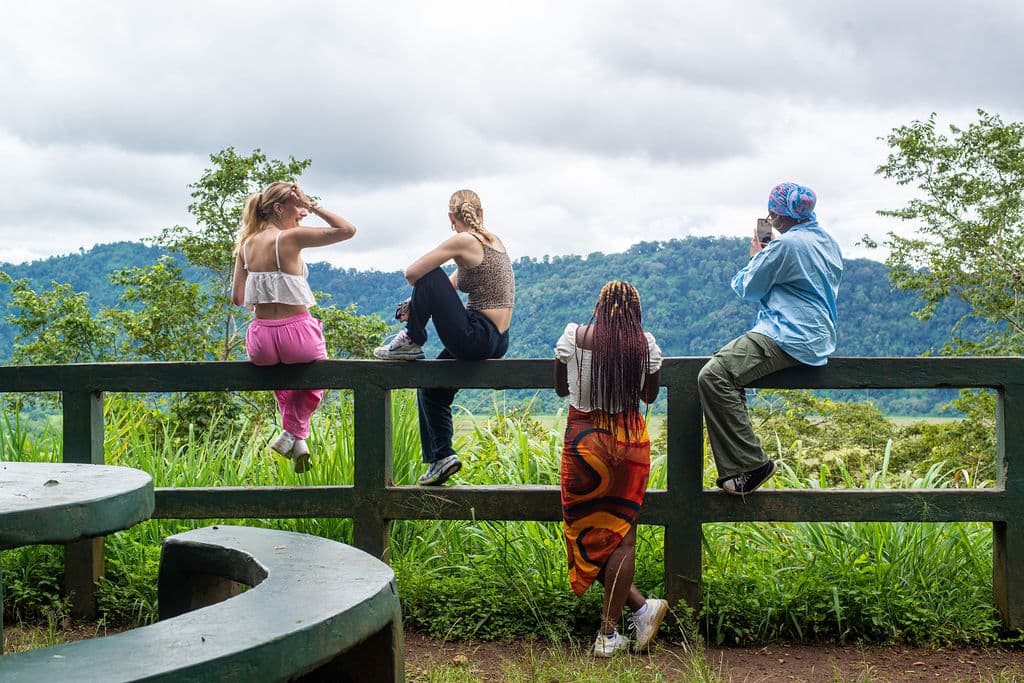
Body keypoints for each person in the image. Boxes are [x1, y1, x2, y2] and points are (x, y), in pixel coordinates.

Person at [698, 182, 843, 495]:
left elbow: (748, 288)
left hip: (788, 334)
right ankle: (744, 462)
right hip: (819, 336)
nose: (770, 219)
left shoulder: (784, 247)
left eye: (772, 214)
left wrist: (756, 256)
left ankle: (750, 464)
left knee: (714, 374)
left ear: (780, 217)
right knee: (727, 368)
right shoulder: (828, 242)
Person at [555, 281, 669, 657]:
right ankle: (621, 623)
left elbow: (561, 390)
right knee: (623, 537)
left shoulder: (573, 336)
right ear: (635, 312)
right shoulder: (645, 345)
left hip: (583, 443)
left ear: (599, 306)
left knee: (580, 530)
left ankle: (618, 627)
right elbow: (648, 396)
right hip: (627, 444)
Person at [373, 189, 514, 486]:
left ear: (451, 218)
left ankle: (411, 340)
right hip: (498, 338)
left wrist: (420, 298)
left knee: (427, 273)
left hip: (477, 334)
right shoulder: (493, 241)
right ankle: (441, 457)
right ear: (481, 213)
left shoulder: (463, 241)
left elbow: (414, 274)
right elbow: (447, 290)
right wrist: (417, 304)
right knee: (431, 389)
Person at [231, 182, 357, 473]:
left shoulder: (245, 245)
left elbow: (238, 298)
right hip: (297, 333)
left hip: (260, 337)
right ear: (278, 208)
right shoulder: (290, 239)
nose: (302, 213)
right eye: (297, 206)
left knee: (285, 380)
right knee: (316, 377)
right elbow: (348, 230)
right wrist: (314, 204)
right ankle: (293, 433)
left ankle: (298, 441)